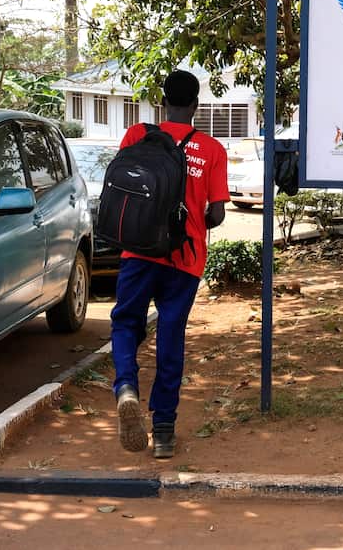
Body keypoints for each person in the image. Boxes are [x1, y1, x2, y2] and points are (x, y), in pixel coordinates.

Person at [111, 69, 229, 459]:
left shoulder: (137, 136)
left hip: (139, 252)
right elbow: (217, 216)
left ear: (163, 102)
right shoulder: (211, 150)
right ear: (196, 105)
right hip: (185, 258)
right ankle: (163, 431)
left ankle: (126, 387)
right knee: (171, 336)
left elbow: (123, 188)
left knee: (127, 322)